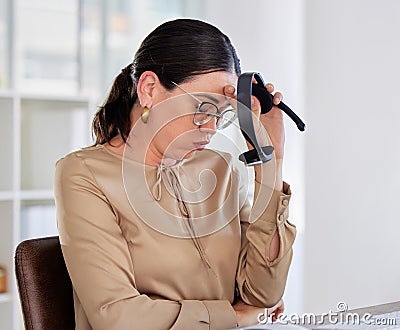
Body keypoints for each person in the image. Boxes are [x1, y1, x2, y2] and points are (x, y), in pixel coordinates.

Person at [54, 18, 296, 330]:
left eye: (222, 115)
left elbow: (264, 293)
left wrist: (272, 160)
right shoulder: (84, 175)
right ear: (150, 89)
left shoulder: (219, 168)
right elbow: (117, 318)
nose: (210, 129)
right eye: (202, 109)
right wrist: (234, 316)